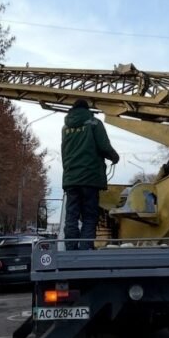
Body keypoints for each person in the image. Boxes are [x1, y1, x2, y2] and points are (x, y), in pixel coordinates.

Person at [61, 98, 119, 251]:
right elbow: (104, 146)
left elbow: (64, 153)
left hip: (71, 179)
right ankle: (86, 247)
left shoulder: (65, 127)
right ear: (87, 110)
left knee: (71, 215)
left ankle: (70, 247)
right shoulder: (94, 123)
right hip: (90, 178)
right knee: (89, 215)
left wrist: (68, 173)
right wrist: (115, 157)